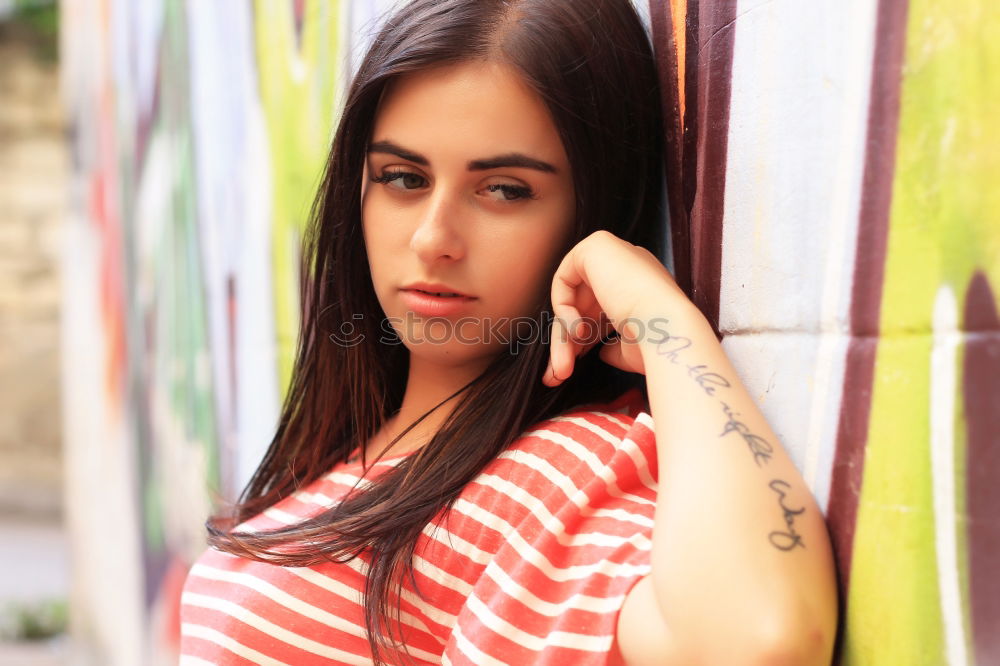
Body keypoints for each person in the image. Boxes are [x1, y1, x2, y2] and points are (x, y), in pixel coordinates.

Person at [180, 0, 838, 663]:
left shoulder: (559, 478)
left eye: (504, 190)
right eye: (403, 178)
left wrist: (661, 317)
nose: (434, 238)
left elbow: (762, 642)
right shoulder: (356, 451)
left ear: (592, 212)